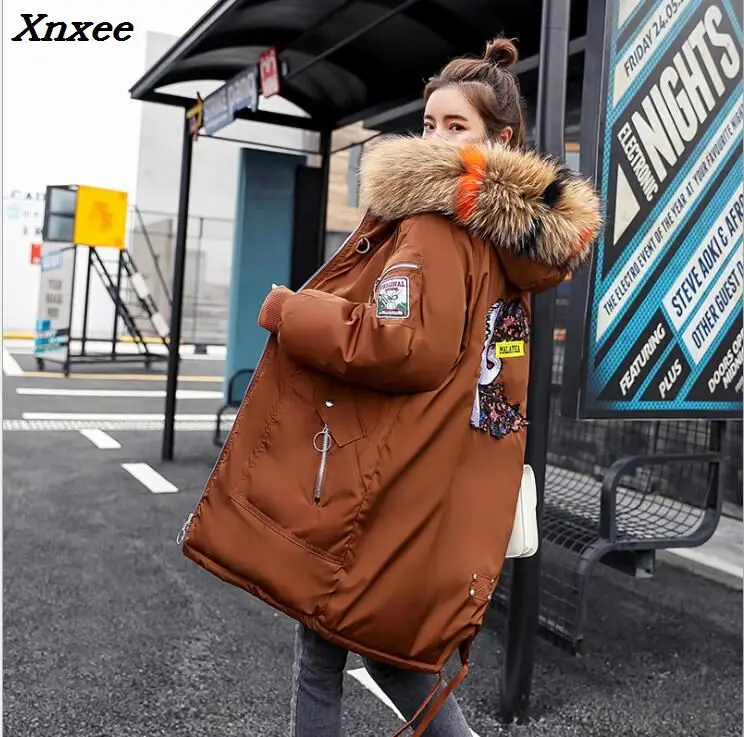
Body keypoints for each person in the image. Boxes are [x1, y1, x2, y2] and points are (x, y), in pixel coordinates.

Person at [178, 37, 601, 737]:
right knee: (380, 647)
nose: (434, 139)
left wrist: (289, 310)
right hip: (444, 478)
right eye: (429, 123)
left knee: (330, 643)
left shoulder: (436, 223)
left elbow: (402, 343)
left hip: (393, 474)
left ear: (500, 139)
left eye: (456, 125)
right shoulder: (510, 244)